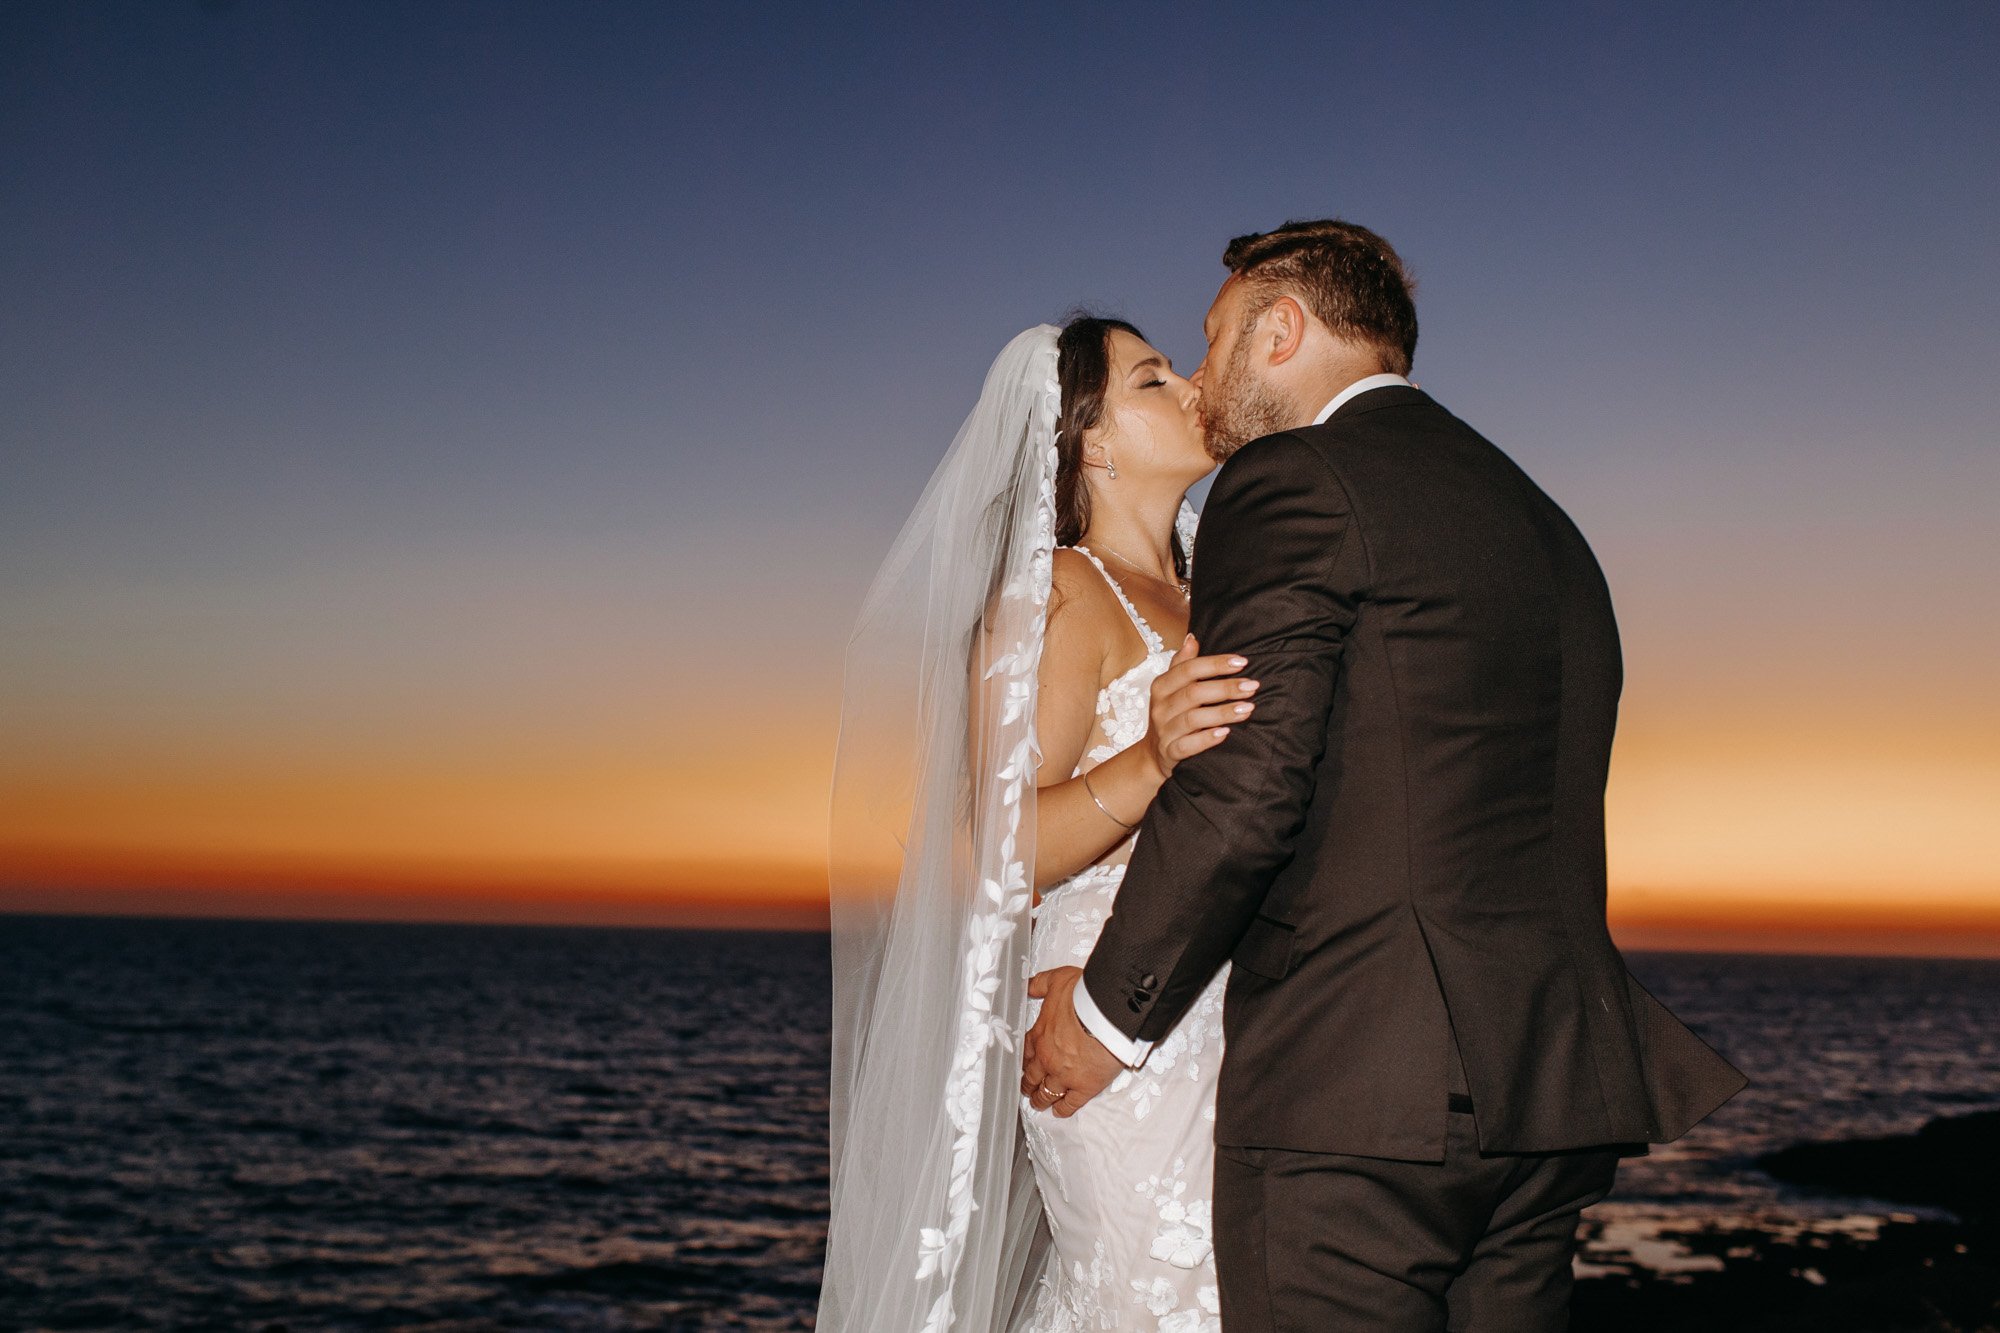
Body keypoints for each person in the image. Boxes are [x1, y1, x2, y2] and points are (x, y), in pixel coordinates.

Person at [1022, 219, 1747, 1332]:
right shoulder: (1539, 521)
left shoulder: (1292, 484)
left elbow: (1251, 785)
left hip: (1360, 1102)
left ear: (1281, 331)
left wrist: (1110, 1021)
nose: (1201, 377)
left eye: (1210, 345)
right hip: (1547, 1091)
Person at [821, 316, 1251, 1332]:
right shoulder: (1062, 593)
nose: (1193, 385)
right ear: (1090, 443)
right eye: (1151, 380)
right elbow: (992, 848)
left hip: (1235, 1019)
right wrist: (1149, 758)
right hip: (1107, 1036)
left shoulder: (1216, 593)